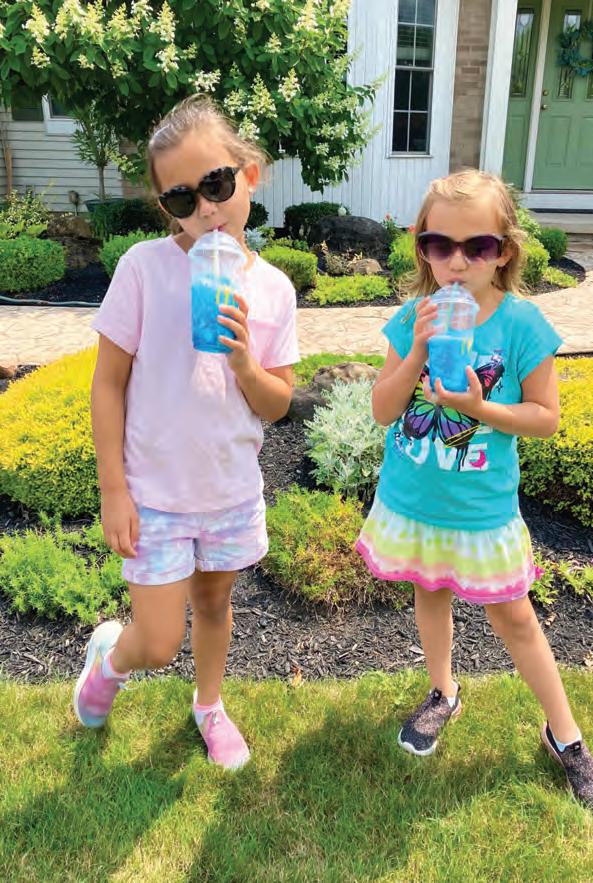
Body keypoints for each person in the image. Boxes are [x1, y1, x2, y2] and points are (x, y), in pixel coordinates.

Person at [355, 169, 593, 814]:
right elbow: (384, 410)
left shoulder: (522, 325)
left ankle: (565, 736)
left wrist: (478, 407)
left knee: (515, 616)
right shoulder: (411, 318)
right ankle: (443, 692)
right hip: (416, 500)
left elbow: (544, 418)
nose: (457, 262)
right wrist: (417, 348)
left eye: (478, 247)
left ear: (504, 251)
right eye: (439, 245)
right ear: (421, 247)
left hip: (481, 508)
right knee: (430, 591)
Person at [73, 94, 299, 770]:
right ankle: (111, 658)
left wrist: (244, 362)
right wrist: (114, 489)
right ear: (166, 206)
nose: (205, 207)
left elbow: (277, 403)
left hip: (228, 490)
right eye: (181, 198)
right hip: (156, 495)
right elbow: (108, 383)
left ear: (249, 175)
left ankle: (210, 704)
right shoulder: (145, 268)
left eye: (217, 184)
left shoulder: (274, 290)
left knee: (214, 602)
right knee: (159, 639)